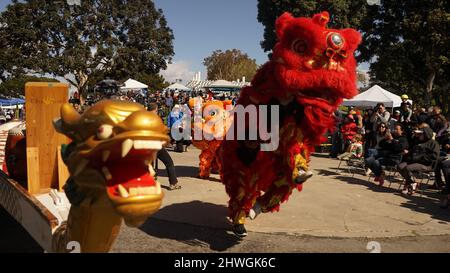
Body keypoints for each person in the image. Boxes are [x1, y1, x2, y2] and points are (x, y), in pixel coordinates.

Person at [148, 103, 181, 190]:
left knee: (149, 165)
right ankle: (173, 183)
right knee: (169, 162)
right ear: (155, 110)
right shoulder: (156, 119)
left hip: (147, 145)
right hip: (156, 144)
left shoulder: (144, 119)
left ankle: (149, 183)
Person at [398, 127, 440, 195]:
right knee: (400, 166)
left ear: (426, 135)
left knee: (408, 168)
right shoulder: (419, 141)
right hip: (415, 161)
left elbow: (434, 157)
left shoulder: (434, 143)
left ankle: (409, 184)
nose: (419, 135)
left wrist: (419, 157)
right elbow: (413, 151)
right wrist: (408, 153)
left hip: (427, 164)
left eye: (421, 134)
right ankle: (412, 182)